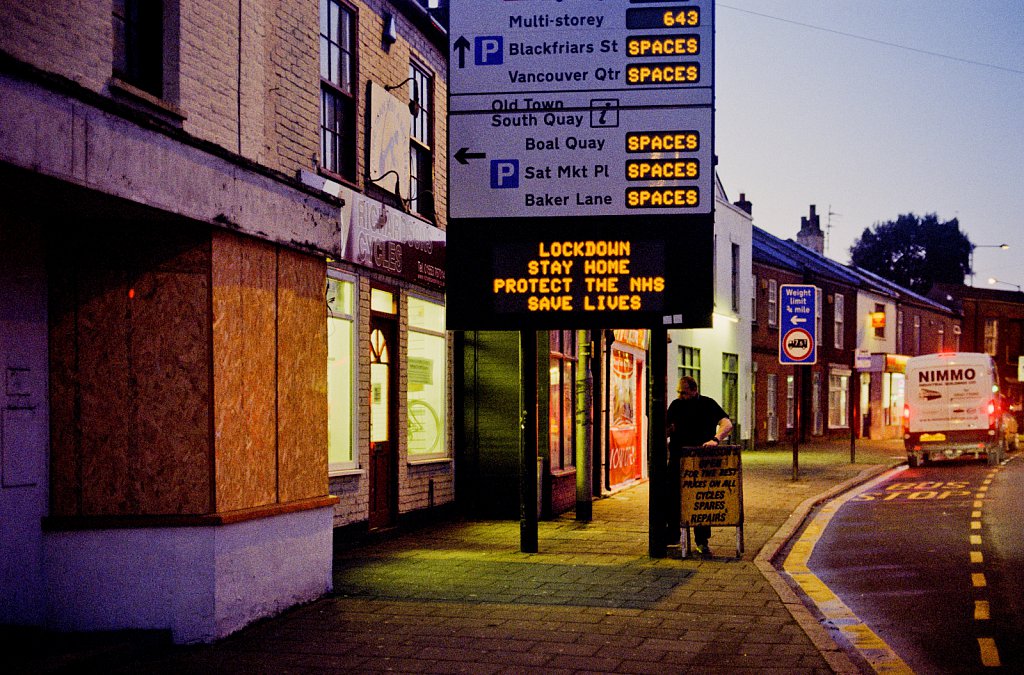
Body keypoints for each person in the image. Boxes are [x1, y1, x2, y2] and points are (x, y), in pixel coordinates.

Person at [666, 376, 734, 556]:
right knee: (673, 498)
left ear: (695, 390)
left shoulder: (707, 404)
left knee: (701, 499)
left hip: (702, 461)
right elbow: (665, 428)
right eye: (679, 392)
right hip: (678, 459)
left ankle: (701, 541)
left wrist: (715, 440)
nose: (680, 396)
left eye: (684, 393)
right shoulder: (675, 405)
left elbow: (727, 424)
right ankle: (674, 536)